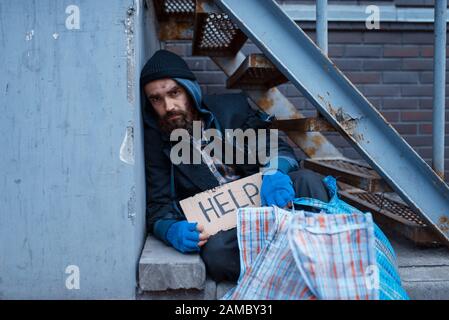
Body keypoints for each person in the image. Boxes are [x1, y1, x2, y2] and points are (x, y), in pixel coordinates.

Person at [140, 49, 330, 283]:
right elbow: (158, 205)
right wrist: (169, 230)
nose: (168, 106)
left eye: (174, 93)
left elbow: (277, 149)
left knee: (309, 181)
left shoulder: (230, 110)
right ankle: (293, 270)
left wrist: (274, 171)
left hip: (268, 201)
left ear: (190, 90)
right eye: (156, 99)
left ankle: (319, 263)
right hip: (230, 228)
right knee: (217, 255)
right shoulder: (157, 143)